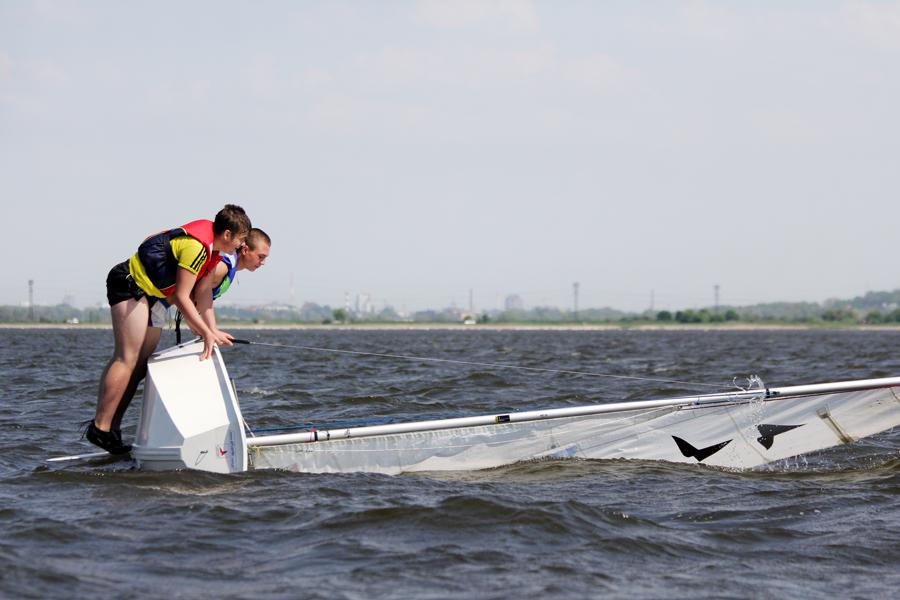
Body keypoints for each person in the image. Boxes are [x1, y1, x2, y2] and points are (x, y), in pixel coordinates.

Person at [87, 205, 252, 454]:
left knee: (141, 366)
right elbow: (182, 297)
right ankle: (100, 428)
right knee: (127, 358)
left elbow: (202, 295)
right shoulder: (197, 247)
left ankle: (112, 430)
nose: (242, 245)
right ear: (227, 234)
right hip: (130, 284)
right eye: (241, 239)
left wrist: (211, 330)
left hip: (152, 297)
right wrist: (204, 332)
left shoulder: (214, 252)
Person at [174, 228, 271, 342]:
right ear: (245, 250)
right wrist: (206, 330)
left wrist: (204, 330)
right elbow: (192, 290)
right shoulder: (222, 267)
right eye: (261, 257)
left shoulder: (230, 266)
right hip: (160, 298)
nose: (263, 263)